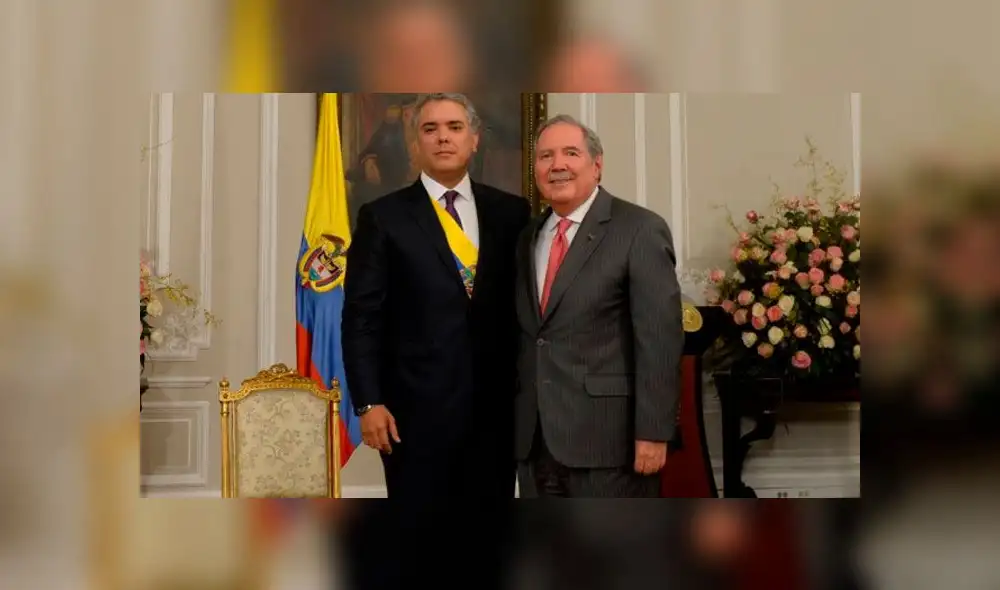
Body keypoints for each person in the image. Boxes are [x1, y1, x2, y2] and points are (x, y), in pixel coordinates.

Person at [341, 92, 531, 500]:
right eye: (431, 129)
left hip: (496, 412)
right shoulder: (382, 217)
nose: (443, 138)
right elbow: (361, 318)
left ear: (474, 139)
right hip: (412, 412)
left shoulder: (511, 213)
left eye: (455, 127)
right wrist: (368, 403)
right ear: (415, 142)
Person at [514, 114, 684, 498]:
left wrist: (654, 432)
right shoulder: (528, 237)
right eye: (545, 156)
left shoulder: (638, 229)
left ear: (597, 165)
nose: (556, 165)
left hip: (611, 445)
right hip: (535, 443)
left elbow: (659, 340)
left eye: (570, 153)